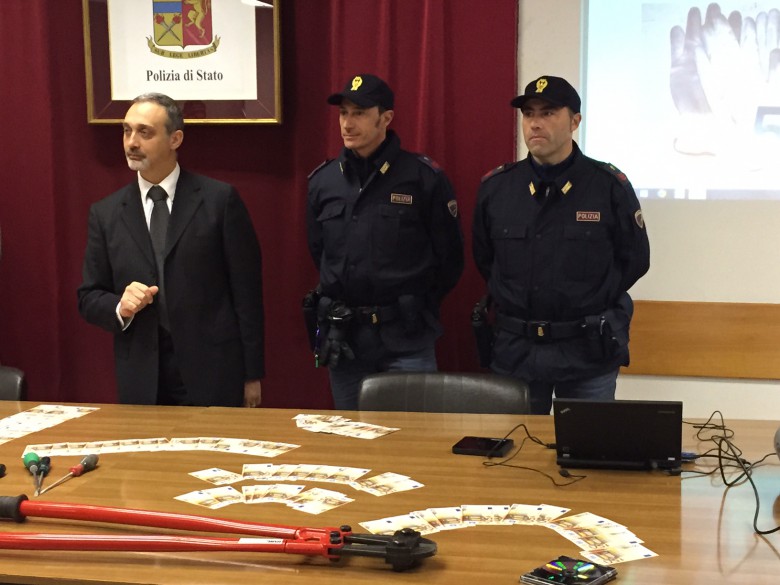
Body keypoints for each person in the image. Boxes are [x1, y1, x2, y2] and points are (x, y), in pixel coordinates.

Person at [472, 75, 650, 414]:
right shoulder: (498, 188)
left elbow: (635, 260)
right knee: (515, 444)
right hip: (517, 350)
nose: (535, 123)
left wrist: (586, 298)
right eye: (528, 113)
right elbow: (485, 259)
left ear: (575, 121)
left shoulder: (607, 186)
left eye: (548, 113)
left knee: (588, 444)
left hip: (586, 348)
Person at [78, 93, 264, 407]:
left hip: (213, 372)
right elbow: (88, 296)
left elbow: (247, 294)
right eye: (127, 131)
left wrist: (252, 374)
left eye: (144, 132)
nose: (131, 142)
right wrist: (120, 306)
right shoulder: (106, 213)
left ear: (175, 139)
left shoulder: (219, 201)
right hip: (142, 374)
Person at [306, 73, 464, 410]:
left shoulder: (422, 178)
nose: (347, 123)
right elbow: (320, 252)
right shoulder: (324, 181)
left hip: (405, 337)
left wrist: (412, 302)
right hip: (346, 339)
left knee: (412, 436)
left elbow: (449, 259)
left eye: (359, 113)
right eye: (343, 113)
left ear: (386, 117)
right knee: (350, 435)